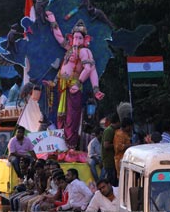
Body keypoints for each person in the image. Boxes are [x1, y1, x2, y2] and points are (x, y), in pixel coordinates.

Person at [45, 11, 104, 149]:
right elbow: (59, 38)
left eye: (79, 38)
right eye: (75, 38)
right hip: (62, 86)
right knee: (61, 116)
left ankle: (71, 146)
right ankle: (62, 146)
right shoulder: (70, 48)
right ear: (71, 38)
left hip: (73, 86)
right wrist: (53, 21)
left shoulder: (84, 51)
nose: (76, 41)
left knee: (72, 118)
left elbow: (90, 69)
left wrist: (85, 85)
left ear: (85, 39)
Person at [101, 112, 120, 187]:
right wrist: (118, 145)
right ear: (118, 122)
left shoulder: (113, 130)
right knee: (110, 182)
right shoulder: (109, 130)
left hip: (113, 160)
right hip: (109, 161)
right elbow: (106, 145)